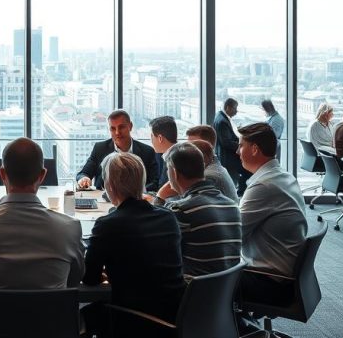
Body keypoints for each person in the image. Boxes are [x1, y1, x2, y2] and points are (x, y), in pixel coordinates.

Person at [0, 138, 84, 288]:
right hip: (52, 311)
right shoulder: (70, 228)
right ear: (42, 175)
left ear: (2, 173)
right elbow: (74, 279)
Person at [82, 153, 185, 337]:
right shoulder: (168, 217)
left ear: (110, 185)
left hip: (135, 320)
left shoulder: (107, 225)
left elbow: (90, 279)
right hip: (175, 316)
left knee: (81, 314)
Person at [237, 123, 308, 307]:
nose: (237, 151)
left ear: (254, 149)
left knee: (202, 279)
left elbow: (234, 234)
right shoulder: (283, 176)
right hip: (282, 276)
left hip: (269, 282)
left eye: (241, 145)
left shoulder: (264, 185)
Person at [156, 142, 241, 277]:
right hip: (225, 294)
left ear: (174, 172)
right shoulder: (232, 206)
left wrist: (159, 197)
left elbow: (154, 246)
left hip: (192, 293)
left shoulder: (180, 210)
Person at [77, 110, 159, 192]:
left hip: (136, 200)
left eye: (121, 127)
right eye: (112, 128)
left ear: (130, 126)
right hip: (104, 201)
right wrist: (84, 179)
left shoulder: (147, 151)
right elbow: (83, 173)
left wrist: (134, 193)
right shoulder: (100, 148)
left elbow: (154, 183)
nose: (117, 132)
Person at [213, 98, 245, 193]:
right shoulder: (222, 121)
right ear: (228, 107)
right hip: (228, 158)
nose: (236, 111)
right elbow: (226, 142)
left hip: (225, 157)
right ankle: (239, 194)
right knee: (237, 178)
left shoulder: (220, 117)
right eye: (235, 108)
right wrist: (242, 146)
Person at [149, 115, 178, 188]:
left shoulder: (174, 160)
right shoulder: (174, 154)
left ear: (160, 138)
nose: (151, 140)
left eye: (152, 136)